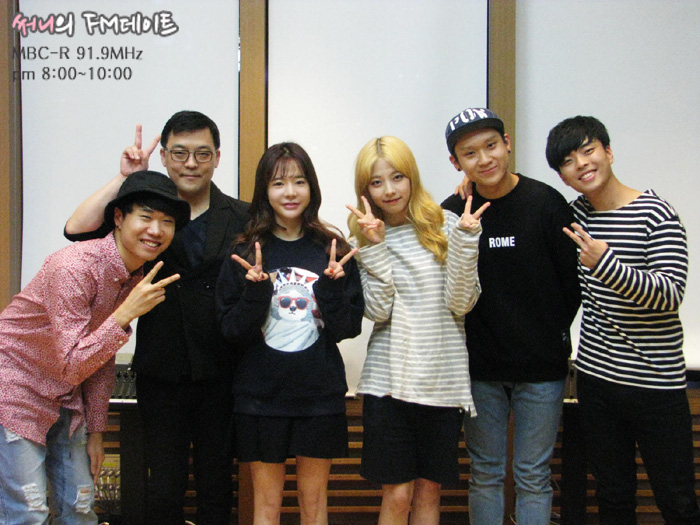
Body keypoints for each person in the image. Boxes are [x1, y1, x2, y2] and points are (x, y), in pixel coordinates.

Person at [64, 111, 249, 524]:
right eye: (179, 153)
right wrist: (125, 178)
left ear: (218, 157)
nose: (191, 163)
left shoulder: (242, 216)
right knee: (163, 490)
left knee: (218, 489)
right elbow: (76, 230)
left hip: (223, 373)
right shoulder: (145, 218)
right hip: (161, 372)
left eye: (202, 153)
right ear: (163, 156)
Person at [0, 171, 188, 524]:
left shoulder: (134, 274)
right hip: (16, 388)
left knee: (80, 503)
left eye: (167, 222)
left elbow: (99, 360)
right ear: (118, 217)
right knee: (28, 511)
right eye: (146, 217)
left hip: (65, 394)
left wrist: (96, 432)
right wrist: (125, 314)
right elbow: (74, 362)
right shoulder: (74, 266)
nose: (156, 230)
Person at [546, 115, 700, 525]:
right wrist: (469, 186)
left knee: (677, 500)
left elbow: (669, 294)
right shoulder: (576, 216)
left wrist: (606, 264)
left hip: (656, 384)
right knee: (613, 498)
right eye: (568, 161)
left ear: (609, 152)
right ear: (563, 176)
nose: (581, 164)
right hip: (597, 381)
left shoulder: (656, 213)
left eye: (588, 150)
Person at [441, 108, 581, 525]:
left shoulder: (545, 203)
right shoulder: (452, 211)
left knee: (533, 475)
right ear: (456, 162)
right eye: (470, 153)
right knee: (485, 473)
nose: (484, 159)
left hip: (542, 369)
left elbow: (571, 284)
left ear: (507, 144)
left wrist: (547, 333)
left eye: (491, 146)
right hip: (479, 369)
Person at [216, 142, 364, 525]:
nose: (290, 192)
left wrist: (330, 289)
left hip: (319, 396)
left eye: (299, 181)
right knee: (266, 506)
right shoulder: (244, 251)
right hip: (260, 397)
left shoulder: (332, 249)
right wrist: (255, 293)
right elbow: (231, 331)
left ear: (311, 186)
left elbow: (348, 328)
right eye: (278, 183)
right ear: (264, 190)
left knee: (313, 504)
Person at [347, 136, 486, 525]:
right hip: (388, 384)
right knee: (397, 494)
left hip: (441, 382)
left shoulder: (447, 225)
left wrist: (467, 242)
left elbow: (462, 303)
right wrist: (375, 246)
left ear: (412, 177)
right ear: (365, 190)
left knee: (429, 491)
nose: (389, 190)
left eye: (397, 177)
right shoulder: (362, 239)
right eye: (376, 182)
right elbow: (378, 310)